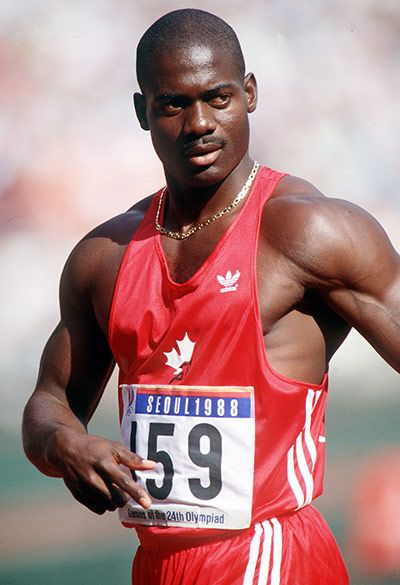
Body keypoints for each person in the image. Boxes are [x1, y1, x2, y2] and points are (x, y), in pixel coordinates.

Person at [22, 8, 400, 585]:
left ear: (249, 94)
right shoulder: (106, 257)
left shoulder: (309, 231)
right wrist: (65, 444)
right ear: (142, 112)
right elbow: (48, 403)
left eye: (217, 98)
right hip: (156, 565)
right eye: (173, 103)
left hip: (269, 556)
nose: (199, 122)